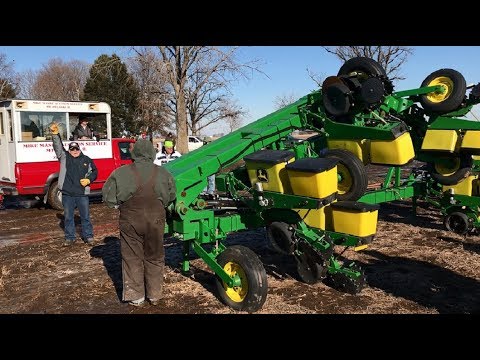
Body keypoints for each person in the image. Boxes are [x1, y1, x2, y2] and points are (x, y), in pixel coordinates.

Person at [102, 139, 176, 307]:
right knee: (155, 255)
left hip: (130, 220)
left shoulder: (120, 173)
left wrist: (119, 204)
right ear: (152, 153)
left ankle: (136, 296)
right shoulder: (163, 173)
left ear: (133, 153)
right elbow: (171, 196)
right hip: (156, 219)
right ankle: (155, 294)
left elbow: (108, 198)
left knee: (132, 257)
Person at [49, 122, 98, 246]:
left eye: (76, 149)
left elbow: (95, 171)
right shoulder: (64, 157)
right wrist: (55, 134)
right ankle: (70, 237)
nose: (74, 151)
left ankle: (88, 236)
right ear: (69, 150)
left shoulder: (86, 159)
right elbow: (58, 147)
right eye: (72, 149)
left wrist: (89, 180)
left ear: (79, 149)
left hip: (82, 194)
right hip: (68, 194)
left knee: (85, 217)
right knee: (68, 217)